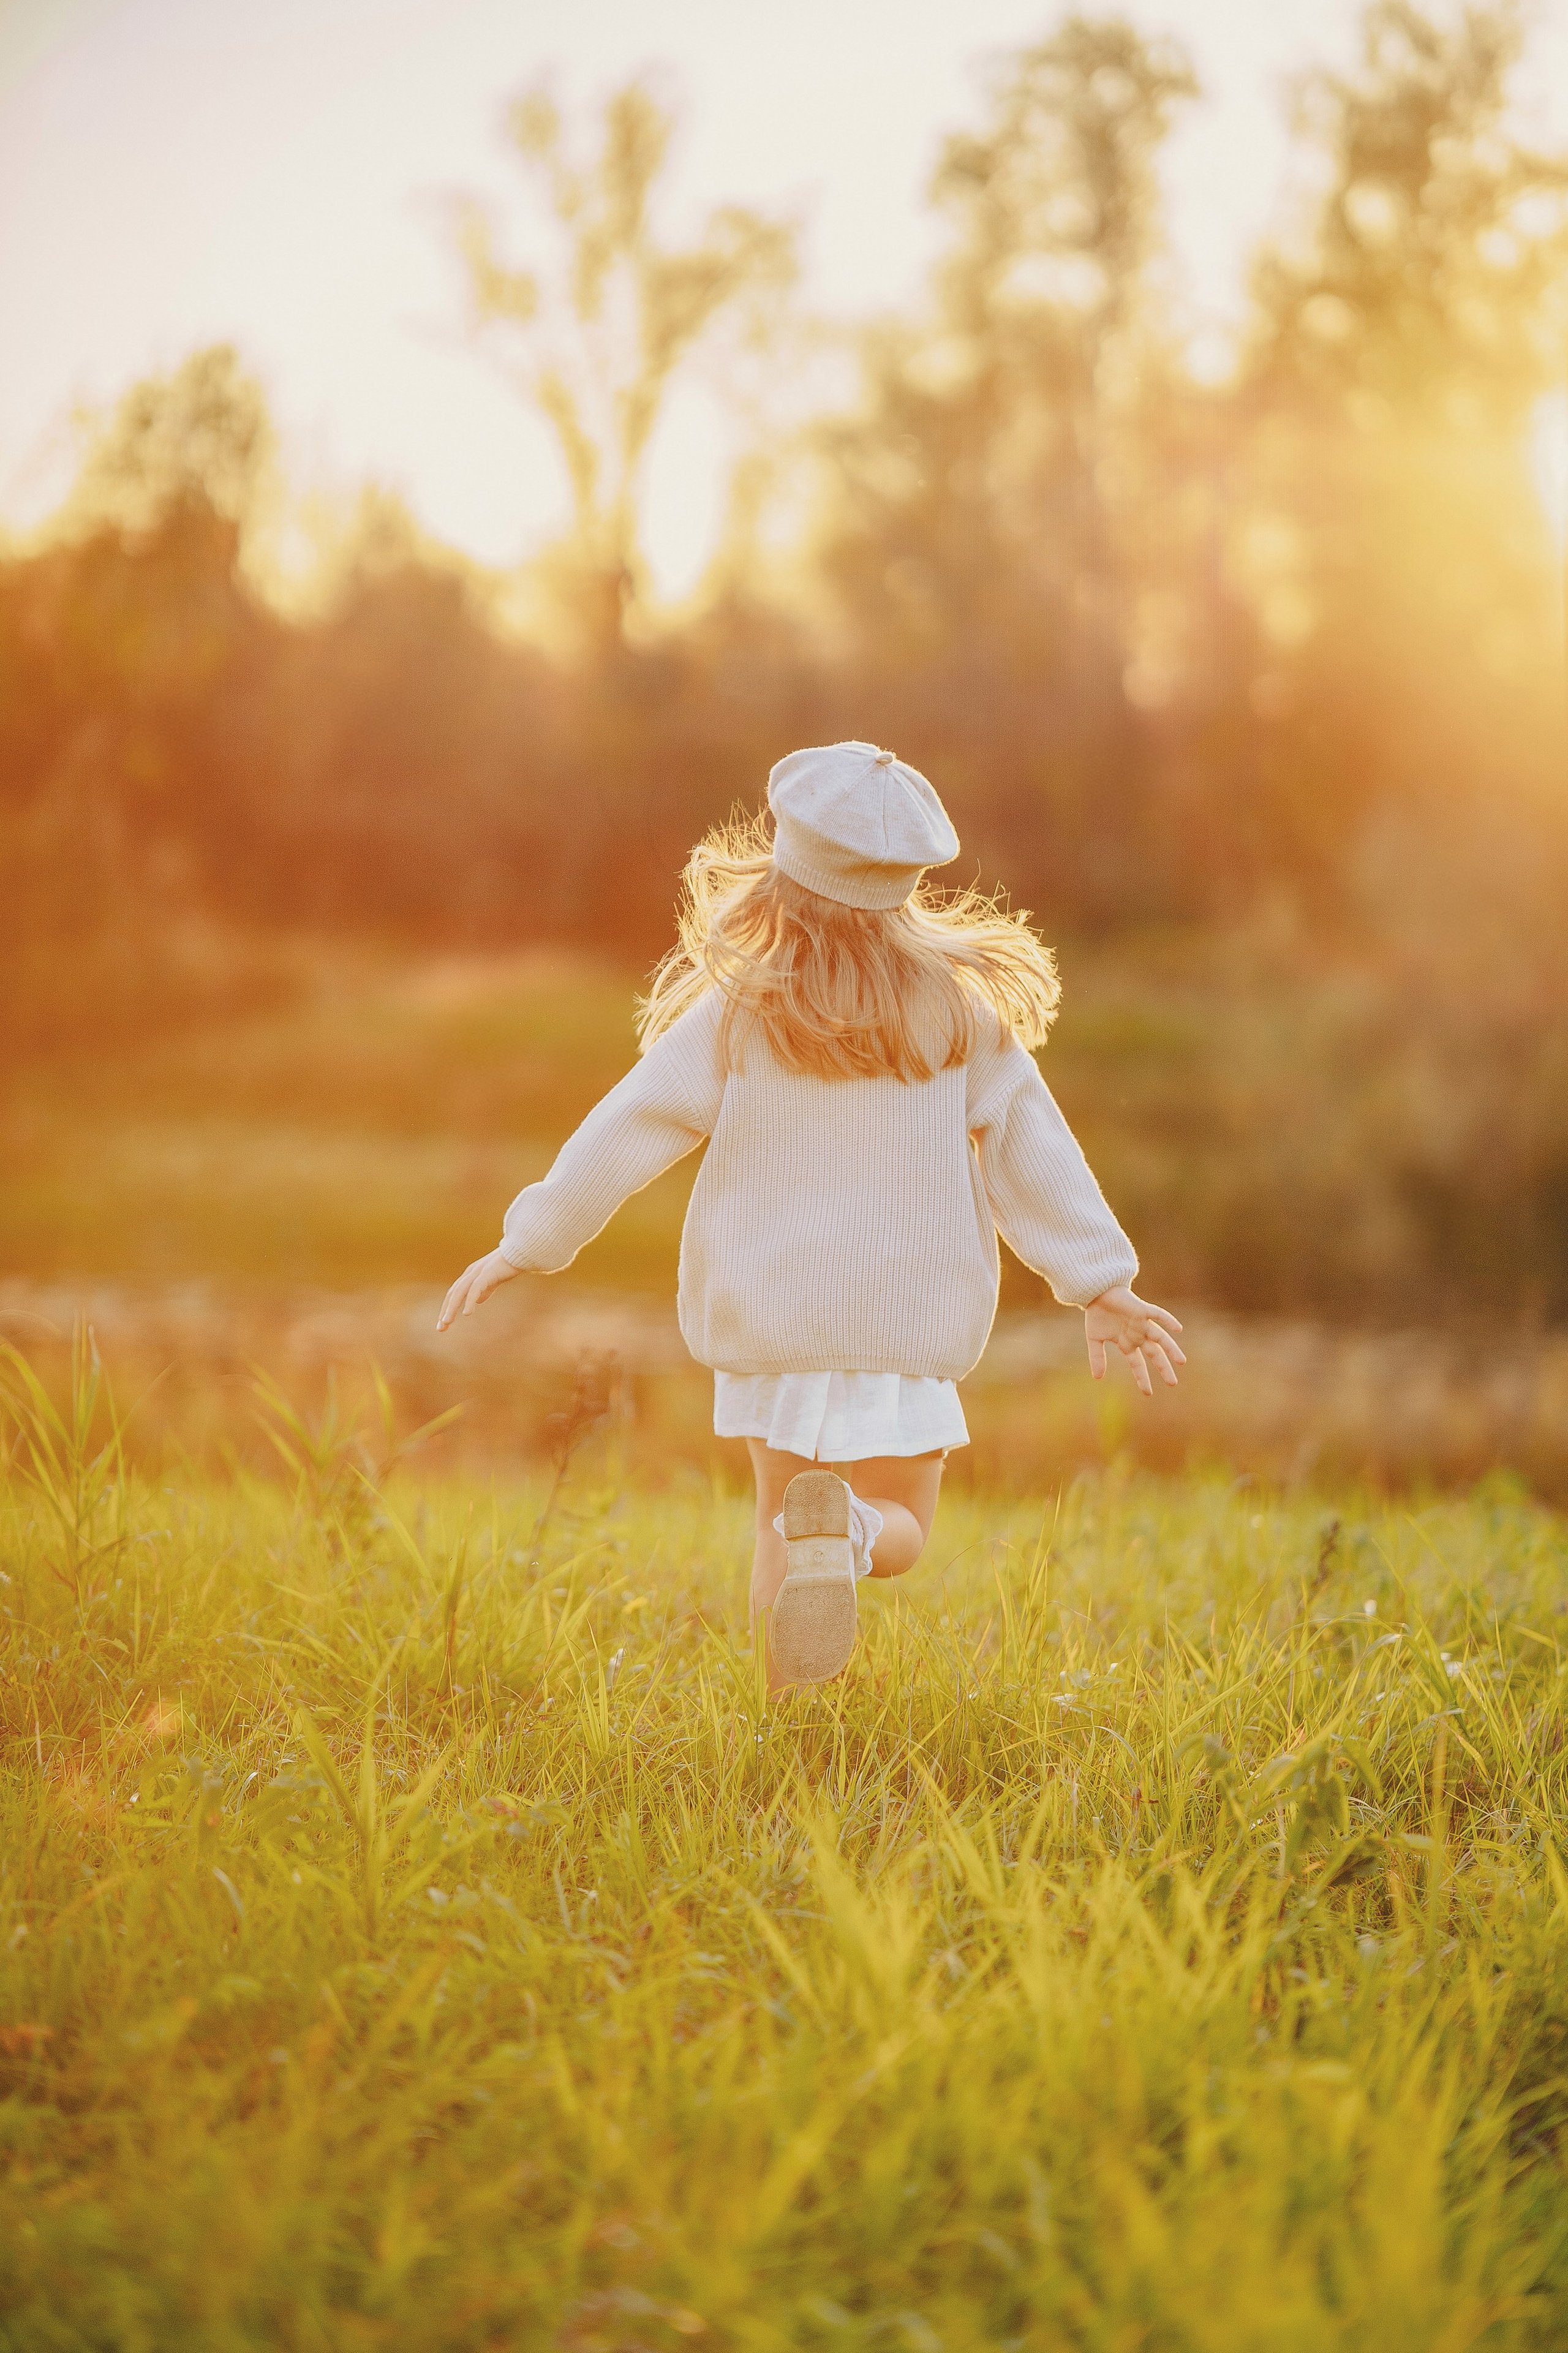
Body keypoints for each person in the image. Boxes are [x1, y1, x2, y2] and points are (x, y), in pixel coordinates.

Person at [438, 742, 1183, 1688]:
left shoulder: (740, 1012)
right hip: (902, 1331)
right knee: (904, 1526)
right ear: (909, 887)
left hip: (777, 1325)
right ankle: (863, 1533)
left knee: (777, 1524)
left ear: (781, 879)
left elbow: (628, 1124)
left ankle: (783, 1716)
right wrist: (1100, 1282)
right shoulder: (958, 1017)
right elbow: (1034, 1148)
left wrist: (528, 1241)